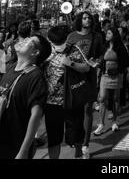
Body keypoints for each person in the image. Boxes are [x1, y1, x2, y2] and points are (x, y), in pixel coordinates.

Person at [0, 34, 51, 159]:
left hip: (15, 147)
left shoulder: (35, 77)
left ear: (35, 52)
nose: (23, 40)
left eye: (29, 41)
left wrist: (23, 152)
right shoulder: (11, 68)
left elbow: (36, 116)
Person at [66, 11, 104, 159]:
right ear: (79, 20)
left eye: (89, 18)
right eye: (84, 18)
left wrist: (99, 61)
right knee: (76, 111)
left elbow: (102, 53)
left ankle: (85, 144)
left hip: (90, 77)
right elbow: (65, 55)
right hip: (74, 77)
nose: (87, 20)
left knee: (88, 109)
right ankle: (77, 141)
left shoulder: (97, 36)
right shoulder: (72, 36)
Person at [93, 27, 129, 135]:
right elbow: (99, 59)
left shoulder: (120, 47)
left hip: (117, 76)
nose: (106, 34)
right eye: (107, 33)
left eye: (109, 33)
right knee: (102, 98)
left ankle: (114, 122)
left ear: (114, 35)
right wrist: (97, 65)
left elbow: (126, 62)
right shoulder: (104, 46)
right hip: (105, 75)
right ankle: (101, 124)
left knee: (116, 99)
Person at [43, 26, 70, 159]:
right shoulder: (44, 53)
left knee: (67, 134)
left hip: (66, 100)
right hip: (48, 101)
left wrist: (72, 64)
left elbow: (87, 68)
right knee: (54, 137)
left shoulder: (73, 51)